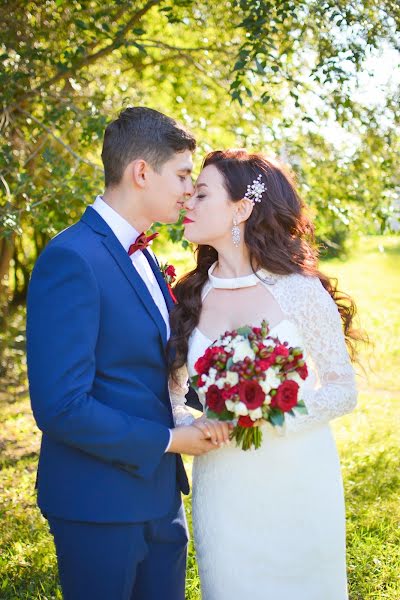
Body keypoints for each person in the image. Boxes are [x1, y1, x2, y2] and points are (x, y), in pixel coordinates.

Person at [26, 106, 223, 600]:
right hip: (99, 505)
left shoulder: (146, 255)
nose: (187, 191)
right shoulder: (72, 258)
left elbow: (150, 368)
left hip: (160, 498)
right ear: (141, 172)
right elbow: (61, 407)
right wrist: (170, 440)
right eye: (181, 175)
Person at [169, 149, 359, 600]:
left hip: (298, 477)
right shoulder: (188, 297)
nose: (187, 204)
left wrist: (268, 415)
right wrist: (192, 426)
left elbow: (342, 389)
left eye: (200, 194)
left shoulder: (299, 290)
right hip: (224, 482)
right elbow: (173, 398)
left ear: (242, 208)